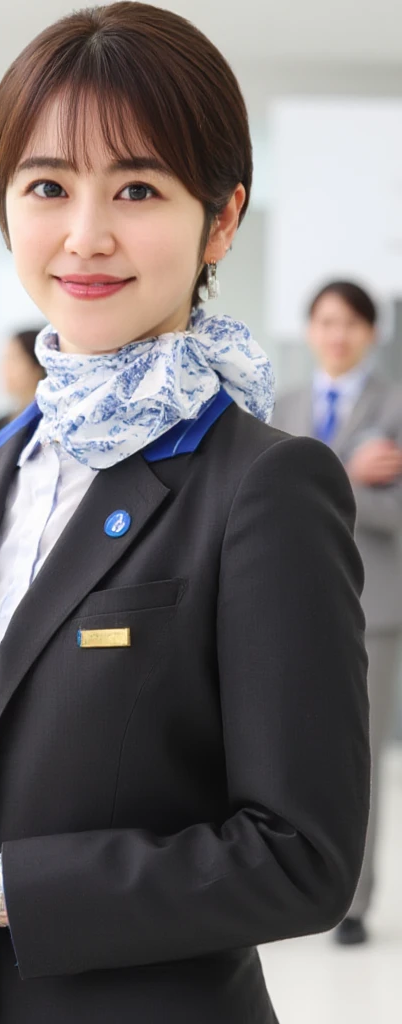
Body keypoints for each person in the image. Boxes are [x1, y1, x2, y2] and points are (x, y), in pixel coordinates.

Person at [0, 6, 369, 1023]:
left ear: (221, 217)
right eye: (45, 186)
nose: (85, 234)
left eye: (136, 188)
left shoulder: (264, 484)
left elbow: (303, 855)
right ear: (4, 208)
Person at [273, 280, 402, 946]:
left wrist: (337, 482)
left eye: (351, 323)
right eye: (325, 321)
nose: (337, 335)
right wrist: (349, 472)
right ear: (310, 329)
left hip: (372, 608)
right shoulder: (283, 405)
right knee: (285, 752)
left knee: (360, 757)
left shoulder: (397, 407)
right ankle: (292, 888)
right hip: (288, 605)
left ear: (372, 333)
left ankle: (353, 903)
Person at [0, 328, 46, 436]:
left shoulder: (49, 425)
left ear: (38, 366)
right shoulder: (0, 424)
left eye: (14, 359)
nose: (5, 368)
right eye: (5, 359)